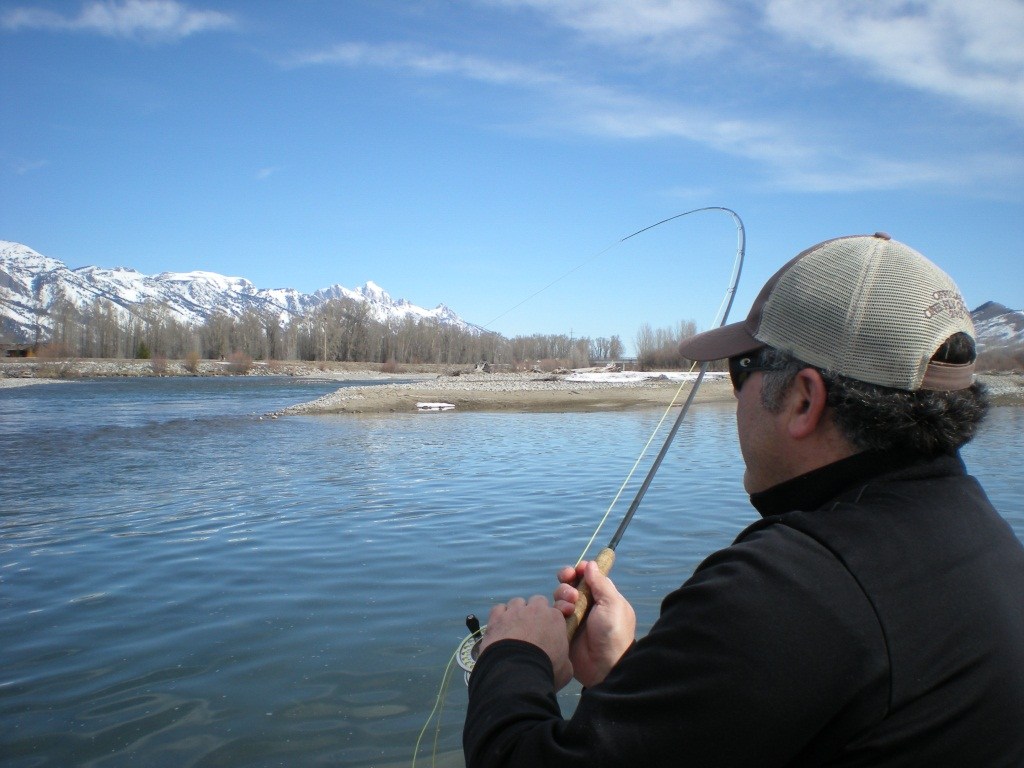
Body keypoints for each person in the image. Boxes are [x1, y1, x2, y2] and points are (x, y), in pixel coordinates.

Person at [463, 233, 1024, 767]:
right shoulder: (988, 544)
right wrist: (628, 680)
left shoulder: (785, 592)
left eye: (740, 369)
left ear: (804, 400)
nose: (734, 396)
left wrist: (516, 657)